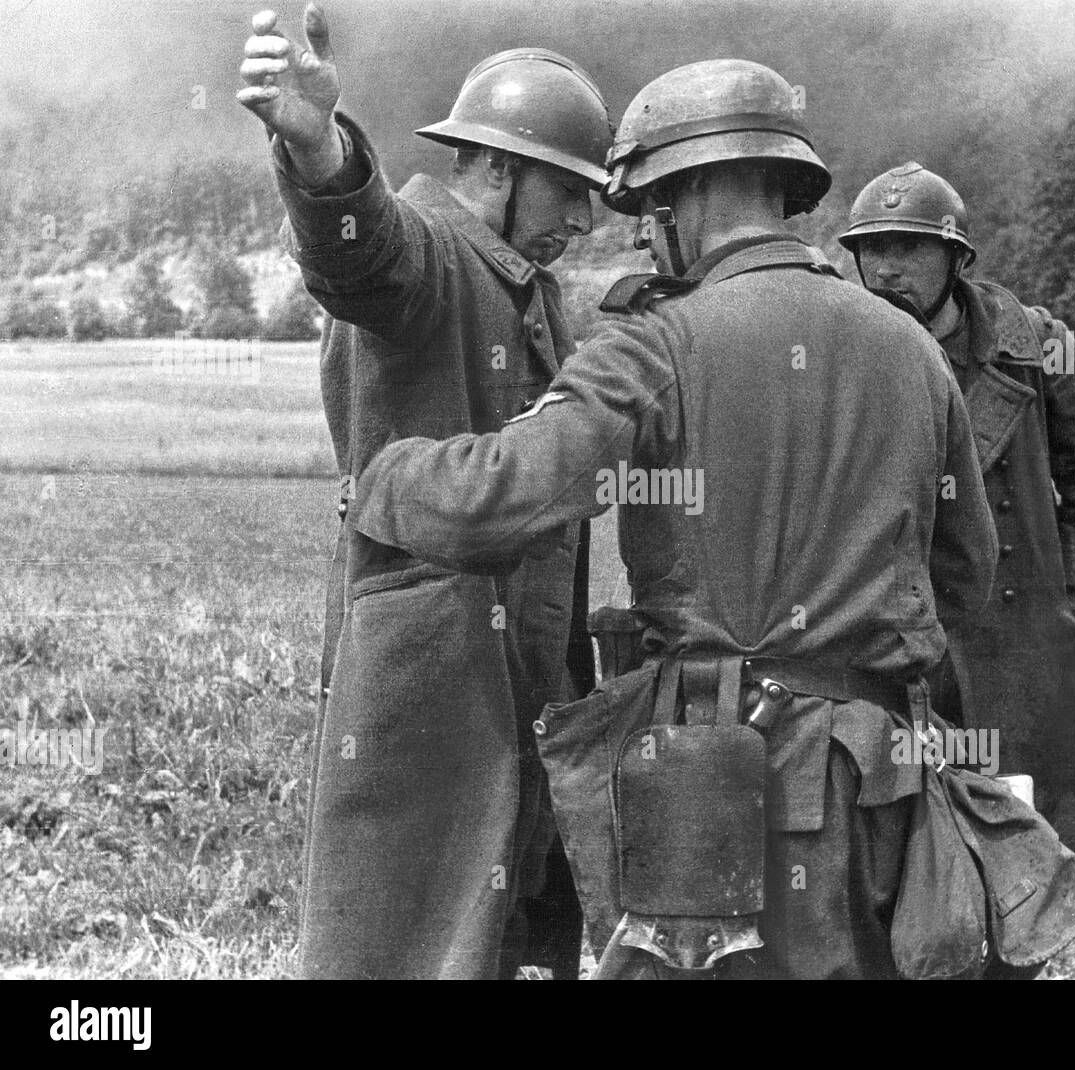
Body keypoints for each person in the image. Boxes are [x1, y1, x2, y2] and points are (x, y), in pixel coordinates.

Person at [350, 60, 1000, 978]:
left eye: (647, 207)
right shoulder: (915, 352)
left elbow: (500, 499)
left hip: (717, 780)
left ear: (683, 196)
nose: (644, 236)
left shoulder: (655, 345)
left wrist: (381, 479)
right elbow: (969, 576)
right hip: (884, 779)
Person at [236, 4, 612, 978]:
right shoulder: (430, 251)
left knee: (507, 924)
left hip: (521, 659)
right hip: (430, 666)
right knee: (400, 930)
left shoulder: (533, 288)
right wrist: (316, 149)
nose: (582, 219)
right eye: (568, 191)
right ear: (495, 167)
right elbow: (358, 254)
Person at [838, 162, 1075, 973]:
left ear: (956, 259)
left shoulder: (1031, 343)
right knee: (902, 852)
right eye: (873, 250)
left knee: (1029, 841)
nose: (889, 268)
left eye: (908, 248)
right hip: (900, 644)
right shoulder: (844, 348)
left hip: (1022, 642)